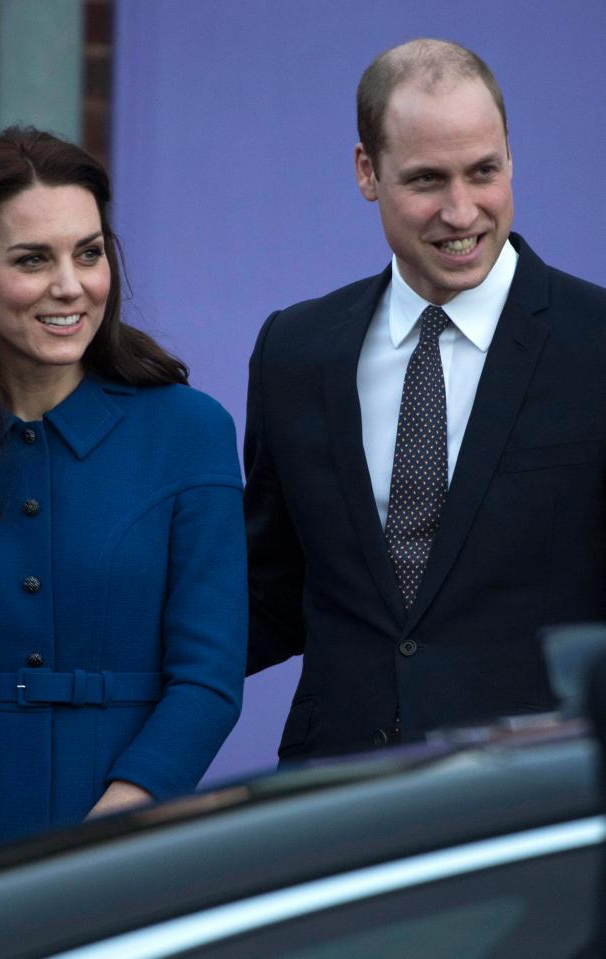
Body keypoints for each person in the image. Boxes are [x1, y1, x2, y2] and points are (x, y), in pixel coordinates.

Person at [0, 127, 247, 870]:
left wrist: (100, 846)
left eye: (88, 253)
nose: (71, 285)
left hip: (132, 851)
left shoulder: (191, 431)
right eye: (33, 259)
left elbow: (208, 681)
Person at [245, 39, 606, 761]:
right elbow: (269, 593)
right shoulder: (296, 349)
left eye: (484, 171)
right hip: (336, 791)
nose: (460, 209)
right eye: (426, 179)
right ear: (366, 173)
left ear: (511, 158)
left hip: (533, 803)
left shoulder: (595, 343)